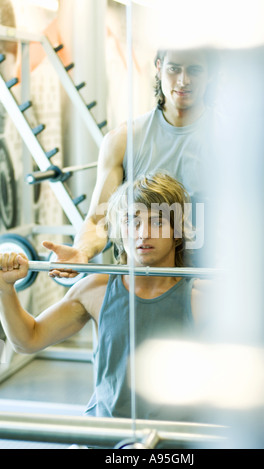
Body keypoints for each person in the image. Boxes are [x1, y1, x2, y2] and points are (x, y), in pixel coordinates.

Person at [0, 173, 211, 421]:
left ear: (178, 232)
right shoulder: (95, 290)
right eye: (131, 221)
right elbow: (28, 340)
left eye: (157, 222)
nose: (143, 234)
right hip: (106, 435)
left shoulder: (201, 298)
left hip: (175, 440)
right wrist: (5, 289)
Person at [43, 47, 220, 277]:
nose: (183, 80)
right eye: (174, 69)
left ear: (210, 74)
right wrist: (82, 251)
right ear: (158, 68)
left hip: (208, 282)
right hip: (141, 283)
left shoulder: (233, 140)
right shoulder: (124, 139)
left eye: (194, 70)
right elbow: (99, 218)